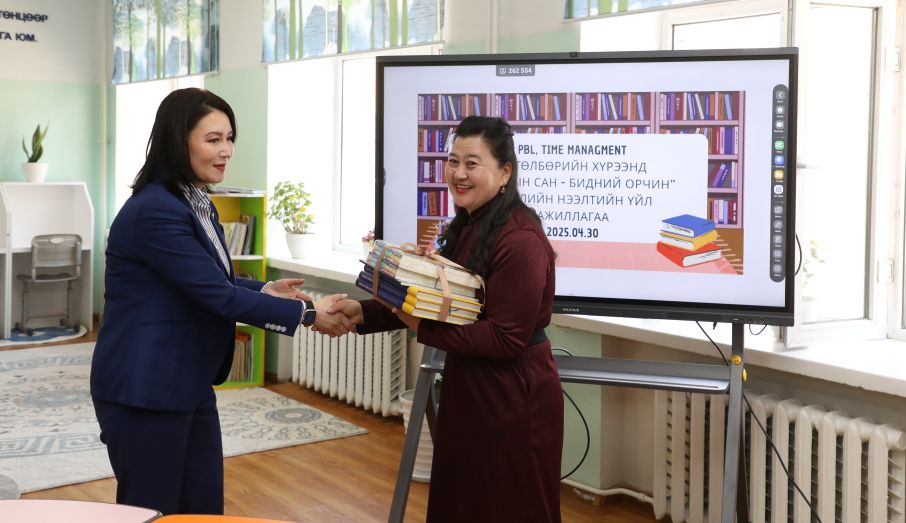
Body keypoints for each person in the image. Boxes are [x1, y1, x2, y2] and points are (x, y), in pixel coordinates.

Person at [90, 88, 350, 515]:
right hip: (146, 388)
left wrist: (264, 290)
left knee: (204, 509)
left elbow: (209, 280)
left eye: (229, 138)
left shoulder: (197, 202)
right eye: (213, 139)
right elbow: (216, 295)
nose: (226, 150)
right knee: (153, 511)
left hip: (188, 380)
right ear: (178, 142)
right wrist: (306, 313)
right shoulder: (156, 210)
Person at [331, 115, 564, 522]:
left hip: (513, 399)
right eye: (453, 162)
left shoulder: (521, 239)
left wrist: (421, 328)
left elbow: (506, 339)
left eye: (472, 163)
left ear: (505, 172)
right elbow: (433, 301)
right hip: (470, 388)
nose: (458, 174)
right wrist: (362, 311)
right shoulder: (468, 225)